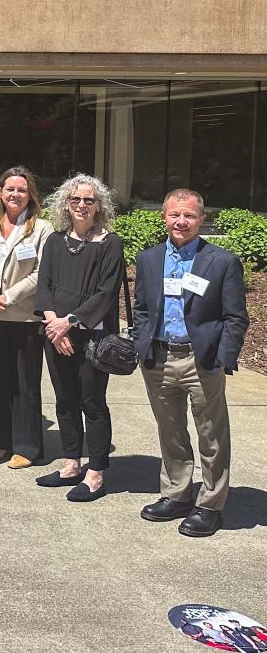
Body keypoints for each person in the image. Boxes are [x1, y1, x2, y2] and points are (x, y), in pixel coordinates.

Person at [132, 189, 248, 537]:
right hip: (159, 358)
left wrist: (223, 357)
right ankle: (177, 494)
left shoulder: (222, 261)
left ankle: (210, 505)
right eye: (174, 215)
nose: (181, 221)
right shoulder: (149, 259)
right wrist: (141, 343)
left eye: (189, 215)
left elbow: (235, 317)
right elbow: (141, 308)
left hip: (202, 360)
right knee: (170, 432)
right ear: (164, 217)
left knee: (211, 436)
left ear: (202, 219)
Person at [34, 174, 125, 502]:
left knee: (92, 402)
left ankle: (96, 472)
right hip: (55, 334)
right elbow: (44, 285)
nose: (82, 205)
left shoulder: (110, 243)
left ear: (99, 205)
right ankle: (71, 464)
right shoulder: (55, 240)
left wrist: (68, 323)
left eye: (89, 200)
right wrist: (53, 324)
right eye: (75, 199)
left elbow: (106, 293)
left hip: (92, 338)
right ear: (66, 203)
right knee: (65, 400)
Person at [0, 166, 54, 469]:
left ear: (31, 195)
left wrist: (9, 296)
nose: (15, 194)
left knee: (24, 382)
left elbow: (43, 272)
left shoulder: (42, 229)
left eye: (22, 190)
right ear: (0, 192)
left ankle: (27, 446)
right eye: (10, 189)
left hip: (23, 313)